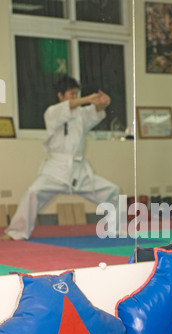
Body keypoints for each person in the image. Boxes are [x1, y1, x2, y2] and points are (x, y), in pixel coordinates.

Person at [1, 76, 120, 240]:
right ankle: (15, 232)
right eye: (71, 93)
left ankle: (115, 229)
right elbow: (68, 107)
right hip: (56, 169)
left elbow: (95, 112)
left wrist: (102, 104)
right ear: (60, 95)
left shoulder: (81, 114)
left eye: (76, 93)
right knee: (33, 193)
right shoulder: (52, 112)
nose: (75, 96)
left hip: (79, 171)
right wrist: (87, 99)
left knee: (113, 191)